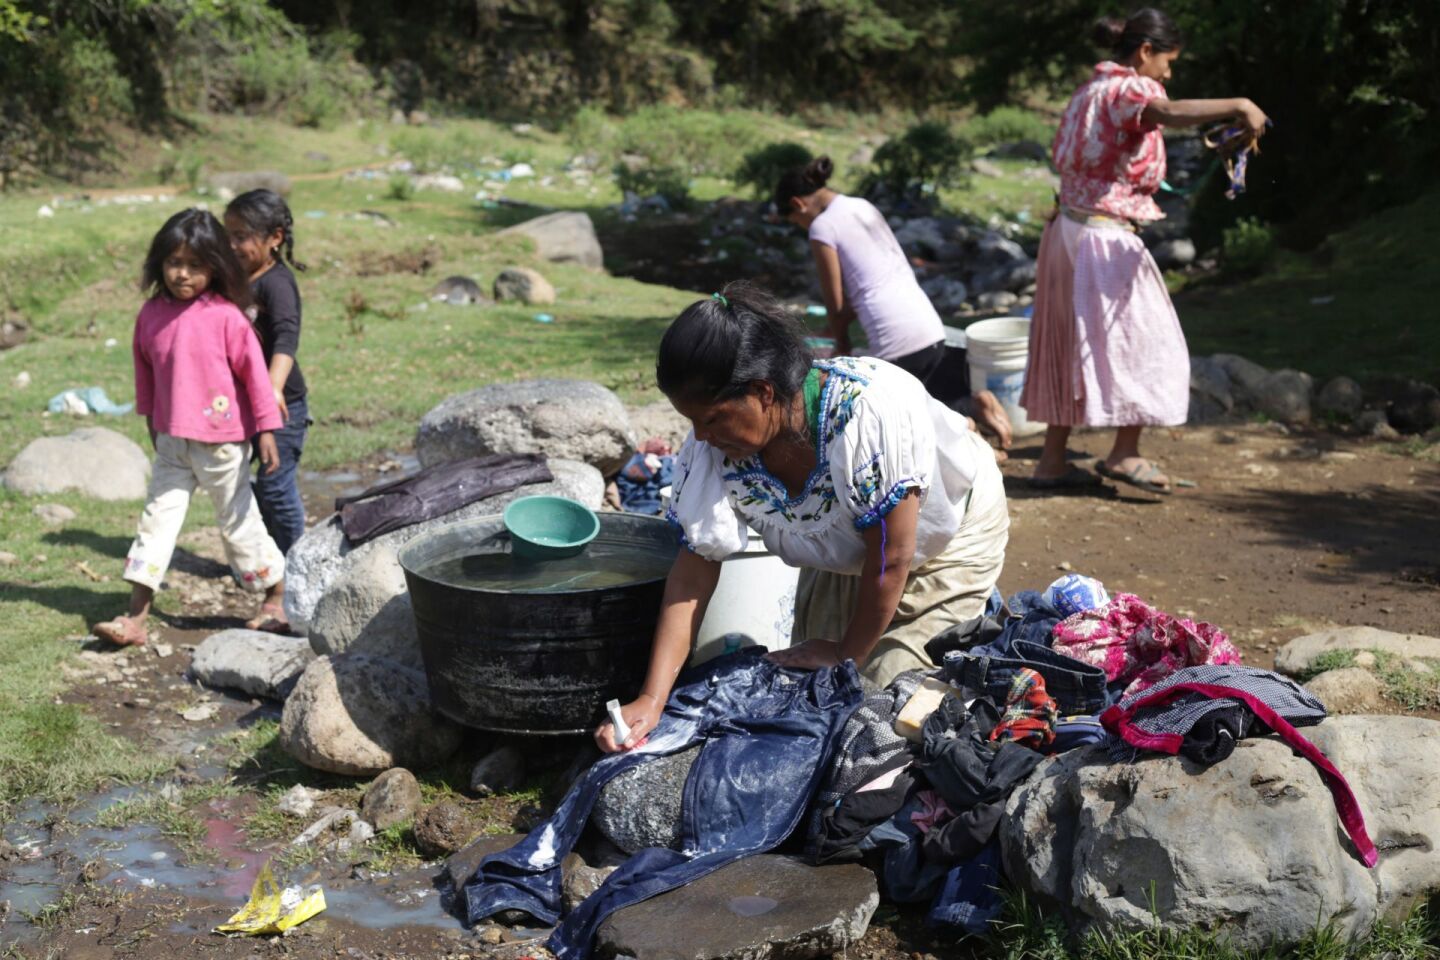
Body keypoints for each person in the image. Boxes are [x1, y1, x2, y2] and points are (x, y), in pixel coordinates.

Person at [594, 282, 1010, 752]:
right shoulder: (715, 447)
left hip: (947, 535)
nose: (701, 437)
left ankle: (976, 618)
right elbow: (692, 573)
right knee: (805, 698)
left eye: (711, 419)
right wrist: (651, 698)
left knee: (883, 712)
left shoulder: (864, 415)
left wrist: (844, 653)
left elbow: (892, 558)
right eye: (692, 422)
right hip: (850, 550)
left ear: (762, 392)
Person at [1022, 8, 1269, 493]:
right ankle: (1124, 453)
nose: (1169, 74)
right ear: (1145, 52)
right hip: (1104, 237)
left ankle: (1051, 462)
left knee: (1065, 345)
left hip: (1066, 228)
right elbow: (1167, 112)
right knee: (1150, 343)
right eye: (1167, 62)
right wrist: (1239, 104)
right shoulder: (1133, 88)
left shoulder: (1087, 90)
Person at [92, 209, 287, 647]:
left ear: (215, 267)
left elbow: (256, 377)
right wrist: (151, 420)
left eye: (195, 266)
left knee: (237, 523)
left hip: (222, 444)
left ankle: (275, 596)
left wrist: (267, 430)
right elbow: (146, 374)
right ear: (159, 262)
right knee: (155, 523)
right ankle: (135, 618)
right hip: (171, 443)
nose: (182, 274)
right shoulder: (151, 314)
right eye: (174, 263)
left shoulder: (226, 317)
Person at [774, 157, 1013, 454]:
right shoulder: (861, 205)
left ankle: (967, 422)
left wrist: (842, 345)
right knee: (921, 399)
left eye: (796, 222)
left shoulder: (822, 227)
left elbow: (835, 302)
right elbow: (874, 282)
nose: (802, 226)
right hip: (926, 323)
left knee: (889, 417)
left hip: (895, 337)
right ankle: (971, 404)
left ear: (798, 204)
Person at [224, 189, 310, 570]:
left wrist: (272, 390)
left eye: (241, 236)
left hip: (282, 405)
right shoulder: (232, 279)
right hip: (241, 404)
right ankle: (267, 559)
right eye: (227, 235)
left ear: (274, 238)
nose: (231, 245)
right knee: (246, 487)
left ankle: (299, 560)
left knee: (276, 487)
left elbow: (287, 339)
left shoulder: (276, 284)